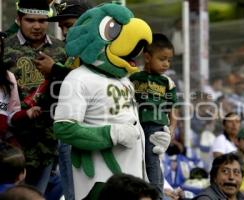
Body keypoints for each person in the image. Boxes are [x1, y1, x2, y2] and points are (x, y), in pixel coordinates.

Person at [53, 3, 167, 199]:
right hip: (98, 182)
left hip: (132, 177)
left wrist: (153, 139)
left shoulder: (124, 80)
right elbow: (64, 129)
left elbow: (128, 121)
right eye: (113, 29)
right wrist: (112, 134)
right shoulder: (78, 78)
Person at [3, 0, 67, 194]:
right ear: (19, 19)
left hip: (48, 142)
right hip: (11, 144)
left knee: (37, 194)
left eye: (42, 20)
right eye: (30, 20)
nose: (37, 26)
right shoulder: (5, 47)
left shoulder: (61, 50)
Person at [36, 1, 92, 199]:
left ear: (87, 21)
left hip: (85, 134)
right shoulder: (72, 52)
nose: (65, 32)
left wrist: (55, 69)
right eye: (61, 27)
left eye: (69, 25)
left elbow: (91, 82)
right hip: (63, 134)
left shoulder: (99, 51)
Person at [129, 33, 177, 199]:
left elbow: (173, 109)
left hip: (156, 127)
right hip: (135, 126)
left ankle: (156, 195)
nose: (166, 64)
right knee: (137, 163)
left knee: (152, 162)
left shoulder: (167, 82)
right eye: (162, 59)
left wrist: (171, 129)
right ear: (147, 57)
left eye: (169, 60)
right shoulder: (133, 77)